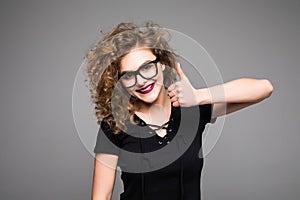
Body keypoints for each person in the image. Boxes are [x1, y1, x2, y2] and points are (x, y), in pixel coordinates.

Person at [84, 21, 273, 200]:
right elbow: (101, 196)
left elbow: (264, 88)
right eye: (128, 76)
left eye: (147, 67)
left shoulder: (191, 110)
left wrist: (199, 96)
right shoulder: (115, 125)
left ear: (162, 64)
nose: (141, 80)